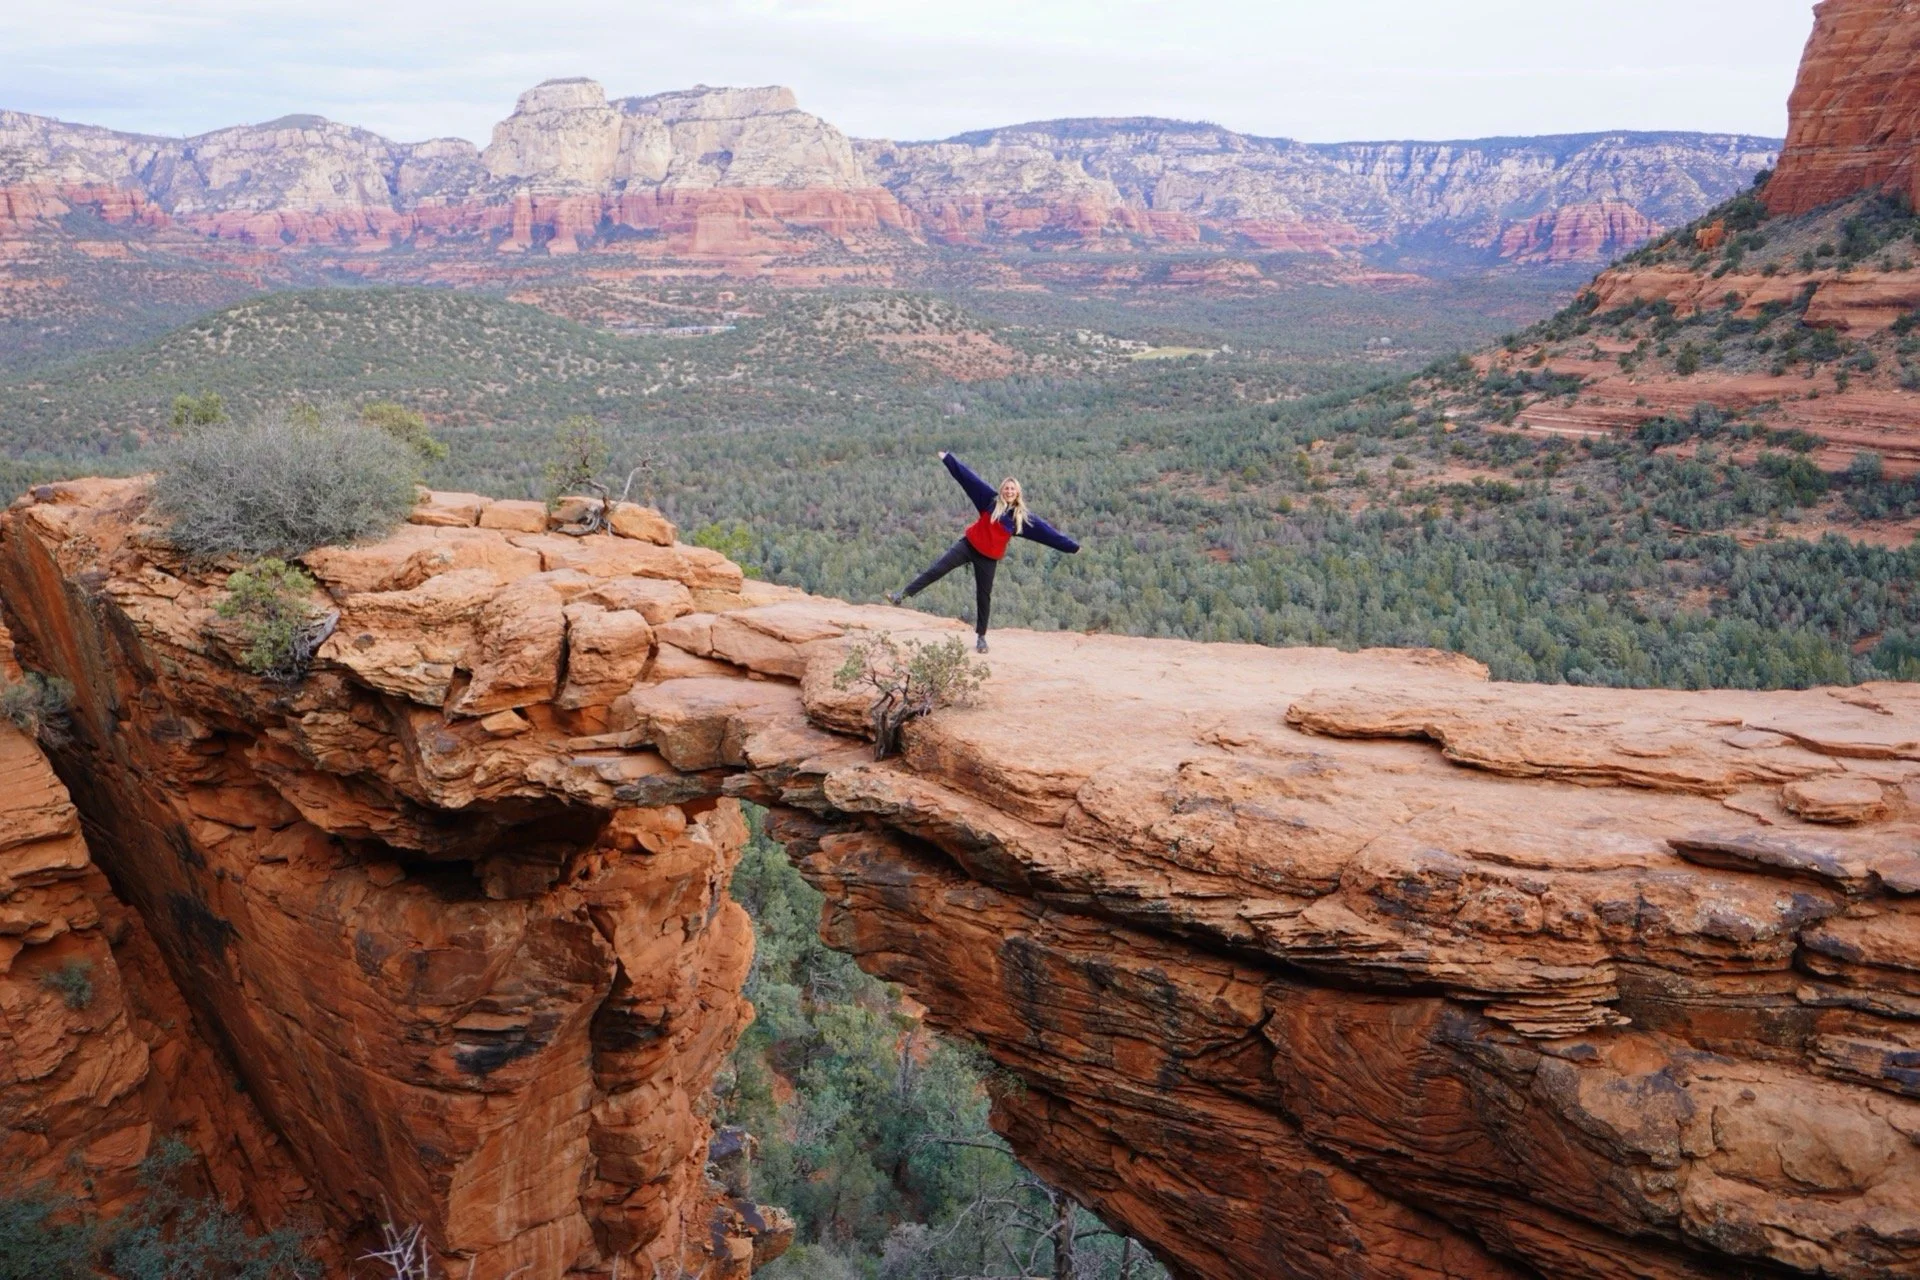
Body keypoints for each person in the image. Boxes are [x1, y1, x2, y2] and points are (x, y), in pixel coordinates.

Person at [888, 451, 1080, 652]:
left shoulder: (1021, 519)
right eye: (1006, 488)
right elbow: (969, 480)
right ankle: (902, 595)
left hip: (988, 559)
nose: (1009, 491)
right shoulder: (989, 501)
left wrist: (1071, 547)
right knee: (936, 570)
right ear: (1002, 490)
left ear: (1018, 493)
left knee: (983, 596)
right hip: (968, 546)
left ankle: (981, 638)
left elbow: (1048, 534)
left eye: (1012, 489)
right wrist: (948, 460)